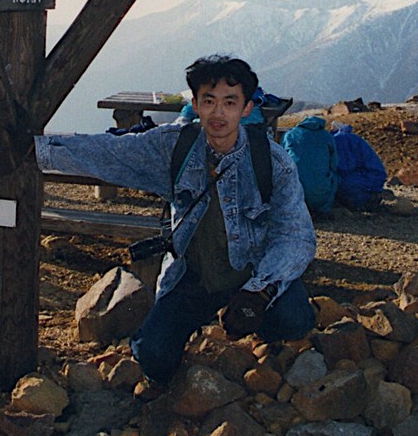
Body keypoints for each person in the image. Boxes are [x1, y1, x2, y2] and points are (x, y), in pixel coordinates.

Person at [35, 55, 316, 392]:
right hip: (192, 277)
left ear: (246, 108)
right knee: (153, 357)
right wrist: (34, 149)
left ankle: (263, 335)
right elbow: (110, 152)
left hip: (253, 272)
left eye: (230, 102)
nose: (218, 113)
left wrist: (260, 290)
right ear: (195, 105)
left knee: (294, 319)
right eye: (209, 101)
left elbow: (296, 236)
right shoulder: (175, 147)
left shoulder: (271, 161)